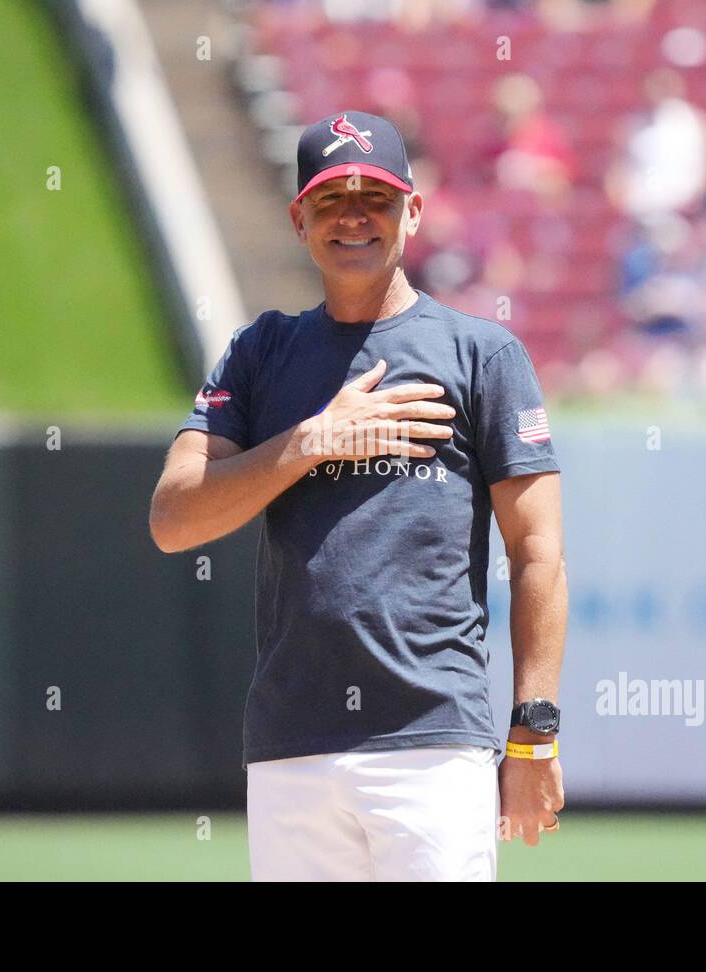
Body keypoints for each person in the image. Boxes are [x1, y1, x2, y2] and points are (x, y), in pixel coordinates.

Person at [149, 110, 567, 881]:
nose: (352, 216)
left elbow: (538, 554)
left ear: (413, 210)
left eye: (374, 196)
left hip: (433, 743)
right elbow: (174, 518)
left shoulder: (483, 354)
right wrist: (313, 440)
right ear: (297, 218)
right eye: (330, 197)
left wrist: (533, 735)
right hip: (290, 748)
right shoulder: (259, 351)